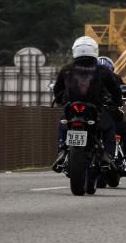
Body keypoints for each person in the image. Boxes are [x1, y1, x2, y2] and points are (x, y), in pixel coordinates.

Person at [51, 36, 121, 172]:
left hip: (71, 108)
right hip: (94, 110)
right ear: (94, 50)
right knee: (109, 128)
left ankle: (61, 151)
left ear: (74, 51)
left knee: (63, 125)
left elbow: (57, 89)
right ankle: (107, 156)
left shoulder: (66, 69)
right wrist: (117, 102)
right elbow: (115, 89)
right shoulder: (102, 70)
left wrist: (60, 100)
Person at [97, 56, 126, 170]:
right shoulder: (114, 78)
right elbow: (125, 90)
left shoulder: (87, 77)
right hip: (107, 115)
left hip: (91, 115)